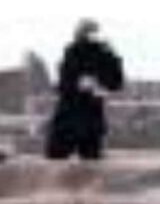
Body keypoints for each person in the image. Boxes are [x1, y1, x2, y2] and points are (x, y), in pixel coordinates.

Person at [46, 18, 125, 160]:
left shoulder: (103, 54)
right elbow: (65, 83)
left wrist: (99, 85)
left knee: (87, 155)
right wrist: (80, 84)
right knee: (59, 154)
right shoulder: (73, 52)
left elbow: (116, 82)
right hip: (72, 114)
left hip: (86, 116)